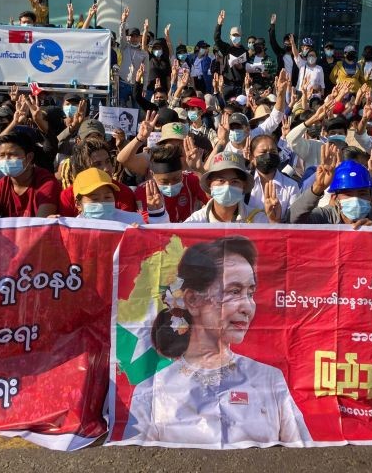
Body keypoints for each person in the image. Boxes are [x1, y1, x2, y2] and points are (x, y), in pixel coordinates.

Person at [123, 236, 312, 446]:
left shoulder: (269, 380)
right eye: (234, 291)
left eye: (251, 292)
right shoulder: (154, 390)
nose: (247, 306)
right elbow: (137, 460)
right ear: (193, 300)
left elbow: (302, 453)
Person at [290, 144, 372, 227]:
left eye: (362, 193)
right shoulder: (325, 217)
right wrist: (318, 187)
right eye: (348, 194)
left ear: (370, 197)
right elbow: (292, 220)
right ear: (335, 197)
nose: (356, 199)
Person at [0, 131, 60, 217]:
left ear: (29, 157)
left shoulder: (46, 183)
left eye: (12, 155)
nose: (6, 160)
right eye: (2, 155)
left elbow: (41, 224)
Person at [185, 152, 271, 223]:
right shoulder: (195, 222)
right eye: (221, 180)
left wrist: (274, 222)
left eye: (235, 181)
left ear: (243, 186)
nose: (227, 186)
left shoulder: (258, 220)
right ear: (209, 184)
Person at [135, 143, 208, 223]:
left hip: (187, 231)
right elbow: (146, 222)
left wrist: (200, 170)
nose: (171, 185)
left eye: (176, 179)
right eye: (164, 181)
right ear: (152, 174)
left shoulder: (192, 179)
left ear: (182, 171)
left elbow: (213, 202)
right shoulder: (143, 190)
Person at [71, 167, 167, 224]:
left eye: (107, 197)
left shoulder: (132, 220)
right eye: (94, 199)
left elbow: (159, 241)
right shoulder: (71, 228)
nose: (102, 203)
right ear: (78, 204)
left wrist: (157, 215)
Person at [246, 134, 300, 221]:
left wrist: (276, 220)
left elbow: (294, 222)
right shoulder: (243, 183)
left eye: (273, 152)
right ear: (252, 157)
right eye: (263, 152)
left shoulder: (291, 186)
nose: (268, 156)